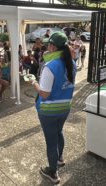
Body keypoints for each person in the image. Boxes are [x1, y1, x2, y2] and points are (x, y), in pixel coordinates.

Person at [28, 32, 76, 184]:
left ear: (53, 46)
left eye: (48, 44)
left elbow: (44, 93)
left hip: (49, 111)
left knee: (51, 141)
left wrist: (33, 81)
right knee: (58, 132)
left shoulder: (50, 66)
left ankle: (53, 173)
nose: (46, 46)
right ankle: (59, 159)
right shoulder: (71, 62)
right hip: (65, 108)